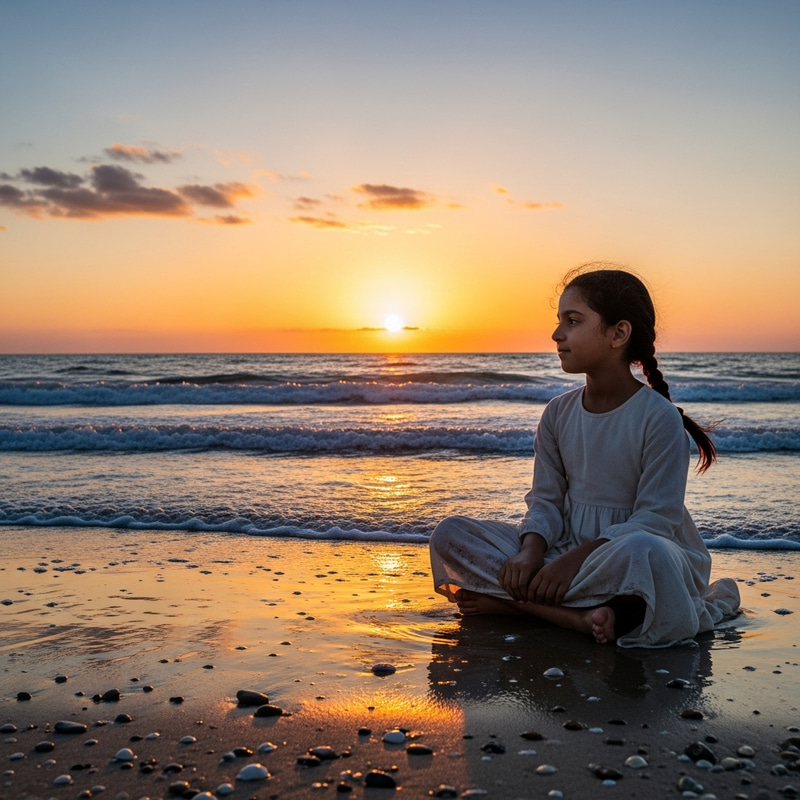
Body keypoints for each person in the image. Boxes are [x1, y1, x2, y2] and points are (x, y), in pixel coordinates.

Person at [429, 265, 741, 647]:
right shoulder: (558, 413)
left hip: (625, 554)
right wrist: (531, 553)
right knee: (451, 534)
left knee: (650, 553)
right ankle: (576, 613)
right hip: (561, 549)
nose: (557, 334)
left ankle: (521, 606)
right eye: (559, 321)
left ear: (618, 333)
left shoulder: (658, 418)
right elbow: (544, 501)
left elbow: (656, 520)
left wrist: (571, 563)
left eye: (573, 321)